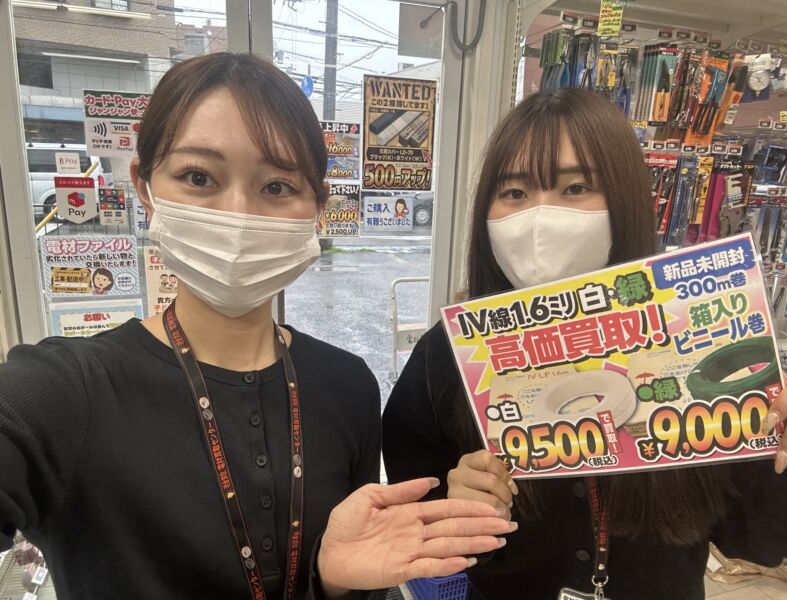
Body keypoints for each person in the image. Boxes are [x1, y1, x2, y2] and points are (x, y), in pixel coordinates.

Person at [0, 53, 515, 600]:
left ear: (317, 205)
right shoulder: (62, 390)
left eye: (276, 186)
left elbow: (356, 569)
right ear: (144, 187)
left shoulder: (348, 386)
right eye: (198, 177)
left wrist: (334, 582)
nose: (238, 213)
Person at [382, 88, 787, 600]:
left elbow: (765, 538)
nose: (540, 218)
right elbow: (414, 524)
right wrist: (459, 509)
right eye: (514, 192)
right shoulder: (444, 356)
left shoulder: (699, 339)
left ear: (625, 198)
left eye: (575, 187)